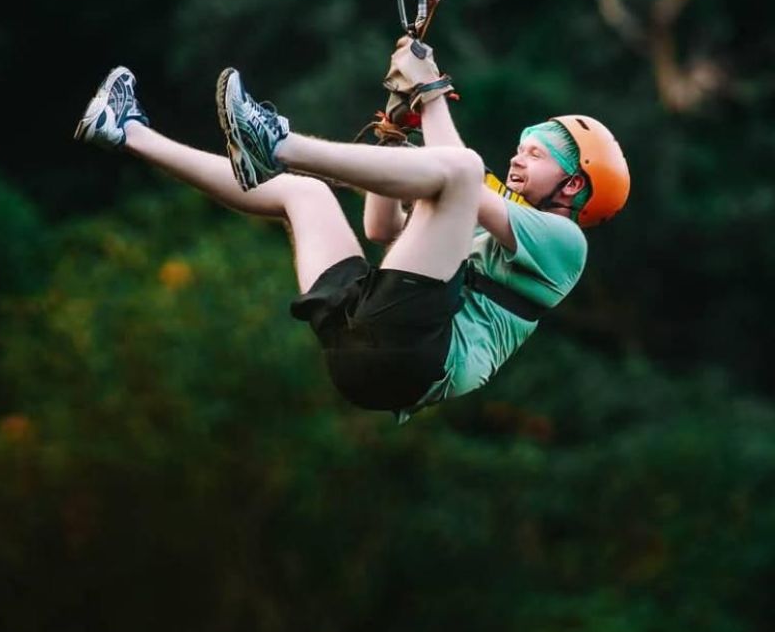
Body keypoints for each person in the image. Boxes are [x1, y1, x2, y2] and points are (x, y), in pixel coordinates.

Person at [74, 38, 630, 422]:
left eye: (536, 156)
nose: (517, 160)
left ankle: (276, 143)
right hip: (364, 348)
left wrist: (430, 90)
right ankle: (125, 131)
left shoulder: (565, 244)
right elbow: (381, 225)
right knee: (303, 193)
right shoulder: (476, 224)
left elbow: (458, 170)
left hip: (416, 354)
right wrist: (394, 132)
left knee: (458, 170)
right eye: (521, 149)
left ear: (574, 188)